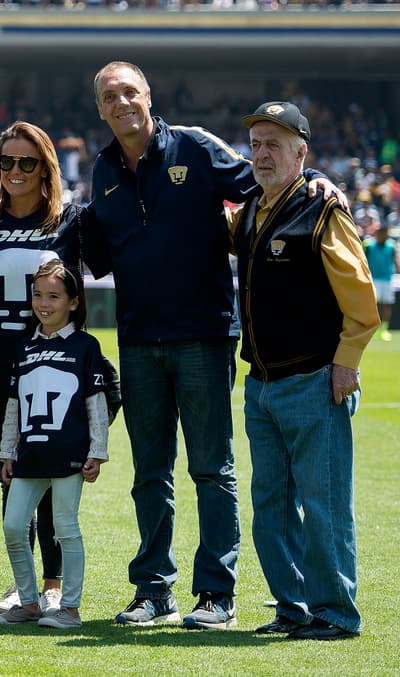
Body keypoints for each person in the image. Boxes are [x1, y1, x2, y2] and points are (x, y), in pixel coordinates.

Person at [83, 61, 339, 629]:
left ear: (149, 96)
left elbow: (268, 184)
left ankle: (216, 594)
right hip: (138, 340)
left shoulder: (196, 147)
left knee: (211, 468)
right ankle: (153, 590)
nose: (121, 103)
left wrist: (315, 181)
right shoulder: (100, 170)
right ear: (99, 110)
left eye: (129, 92)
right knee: (150, 472)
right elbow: (100, 251)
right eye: (109, 97)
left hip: (202, 334)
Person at [229, 102, 378, 639]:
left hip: (315, 381)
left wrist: (346, 366)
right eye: (257, 143)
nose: (262, 153)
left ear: (301, 153)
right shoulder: (248, 211)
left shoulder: (323, 211)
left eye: (275, 143)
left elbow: (362, 303)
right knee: (270, 508)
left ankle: (336, 613)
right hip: (261, 387)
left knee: (324, 504)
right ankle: (292, 607)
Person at [0, 121, 84, 616]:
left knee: (52, 470)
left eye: (27, 162)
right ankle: (24, 585)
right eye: (7, 162)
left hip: (51, 367)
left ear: (46, 168)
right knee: (11, 471)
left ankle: (53, 583)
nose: (15, 171)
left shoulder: (69, 220)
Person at [0, 260, 110, 630]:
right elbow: (13, 406)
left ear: (73, 302)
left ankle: (69, 608)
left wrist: (97, 451)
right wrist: (7, 452)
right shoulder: (24, 347)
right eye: (38, 294)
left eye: (54, 296)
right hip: (30, 456)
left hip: (69, 455)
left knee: (65, 527)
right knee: (13, 526)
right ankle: (28, 602)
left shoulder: (86, 345)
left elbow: (97, 403)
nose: (44, 303)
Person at [363, 223, 397, 341]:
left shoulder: (392, 246)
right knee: (375, 305)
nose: (383, 235)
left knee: (386, 305)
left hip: (388, 279)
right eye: (381, 232)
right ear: (377, 233)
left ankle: (384, 329)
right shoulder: (369, 245)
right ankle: (375, 329)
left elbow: (396, 261)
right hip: (374, 279)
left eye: (385, 232)